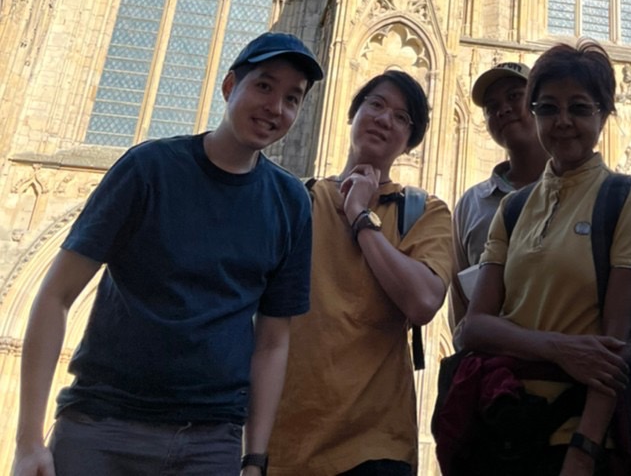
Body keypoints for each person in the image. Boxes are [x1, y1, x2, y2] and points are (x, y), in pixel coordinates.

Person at [12, 30, 322, 476]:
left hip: (210, 443)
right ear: (230, 86)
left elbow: (273, 341)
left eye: (292, 98)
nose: (276, 108)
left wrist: (254, 460)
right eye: (265, 86)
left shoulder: (291, 203)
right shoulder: (147, 169)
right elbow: (56, 295)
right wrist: (27, 441)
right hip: (103, 429)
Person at [459, 41, 631, 476]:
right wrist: (560, 348)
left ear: (604, 115)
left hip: (575, 434)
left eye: (580, 108)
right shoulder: (513, 209)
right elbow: (470, 328)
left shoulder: (625, 199)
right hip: (503, 423)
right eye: (549, 108)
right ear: (535, 115)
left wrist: (584, 449)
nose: (563, 122)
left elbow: (615, 346)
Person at [267, 69, 452, 476]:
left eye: (402, 118)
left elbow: (423, 302)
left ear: (409, 141)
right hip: (284, 442)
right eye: (377, 105)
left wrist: (360, 216)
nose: (385, 119)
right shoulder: (298, 199)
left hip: (374, 446)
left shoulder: (425, 212)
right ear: (352, 114)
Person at [450, 62, 548, 326]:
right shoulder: (472, 204)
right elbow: (460, 306)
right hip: (493, 362)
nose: (503, 109)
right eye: (491, 107)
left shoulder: (579, 189)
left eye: (515, 97)